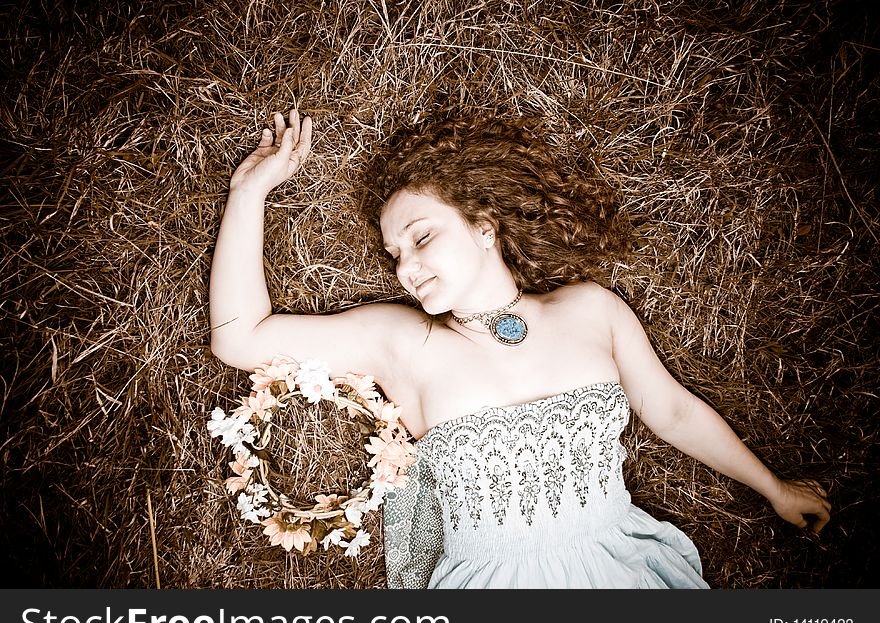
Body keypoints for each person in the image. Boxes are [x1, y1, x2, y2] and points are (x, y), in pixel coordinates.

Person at [209, 108, 832, 589]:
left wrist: (772, 488)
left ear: (484, 227)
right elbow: (241, 337)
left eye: (422, 236)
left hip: (616, 568)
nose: (407, 266)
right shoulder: (400, 341)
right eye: (395, 254)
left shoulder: (589, 311)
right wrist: (250, 192)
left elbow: (670, 412)